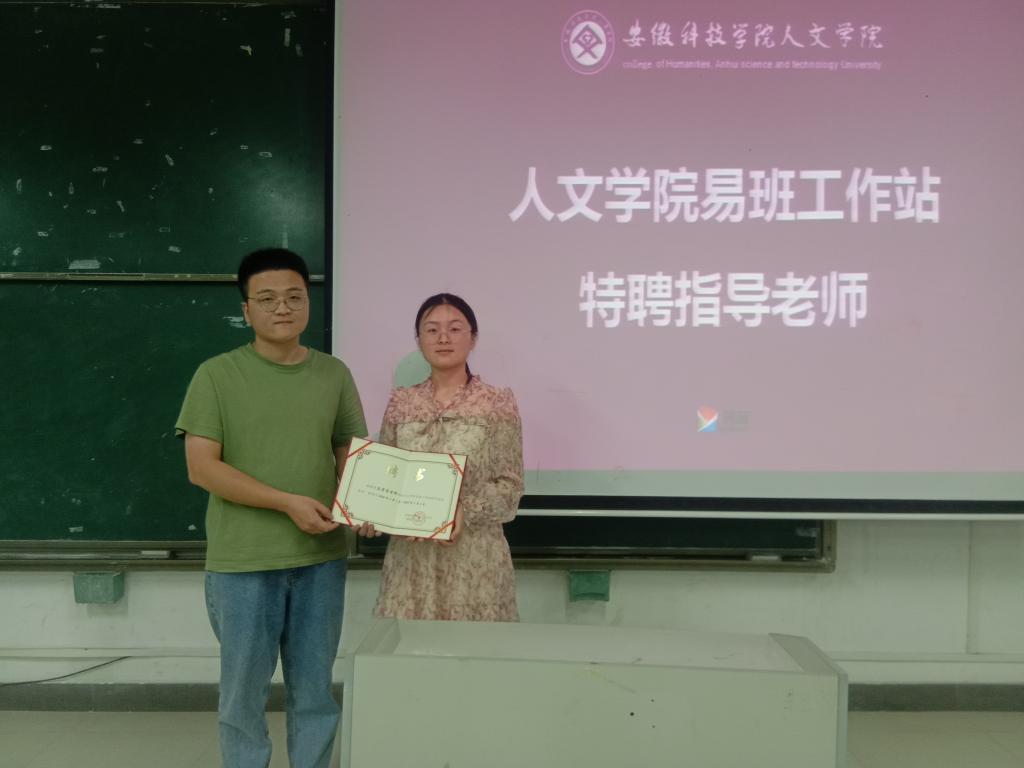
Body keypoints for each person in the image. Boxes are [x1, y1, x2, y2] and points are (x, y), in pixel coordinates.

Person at [175, 248, 367, 768]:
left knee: (315, 693)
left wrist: (365, 505)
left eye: (294, 297)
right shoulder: (216, 375)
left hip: (320, 560)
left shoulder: (334, 374)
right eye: (267, 299)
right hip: (243, 564)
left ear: (308, 303)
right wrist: (286, 503)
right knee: (243, 697)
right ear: (246, 310)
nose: (282, 308)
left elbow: (351, 454)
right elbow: (202, 468)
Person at [373, 293, 524, 621]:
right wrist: (371, 511)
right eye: (432, 330)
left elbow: (510, 487)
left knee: (474, 650)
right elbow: (387, 474)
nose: (443, 338)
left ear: (473, 338)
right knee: (409, 648)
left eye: (455, 329)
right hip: (411, 560)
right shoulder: (401, 402)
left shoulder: (496, 402)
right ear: (419, 340)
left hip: (474, 559)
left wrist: (462, 511)